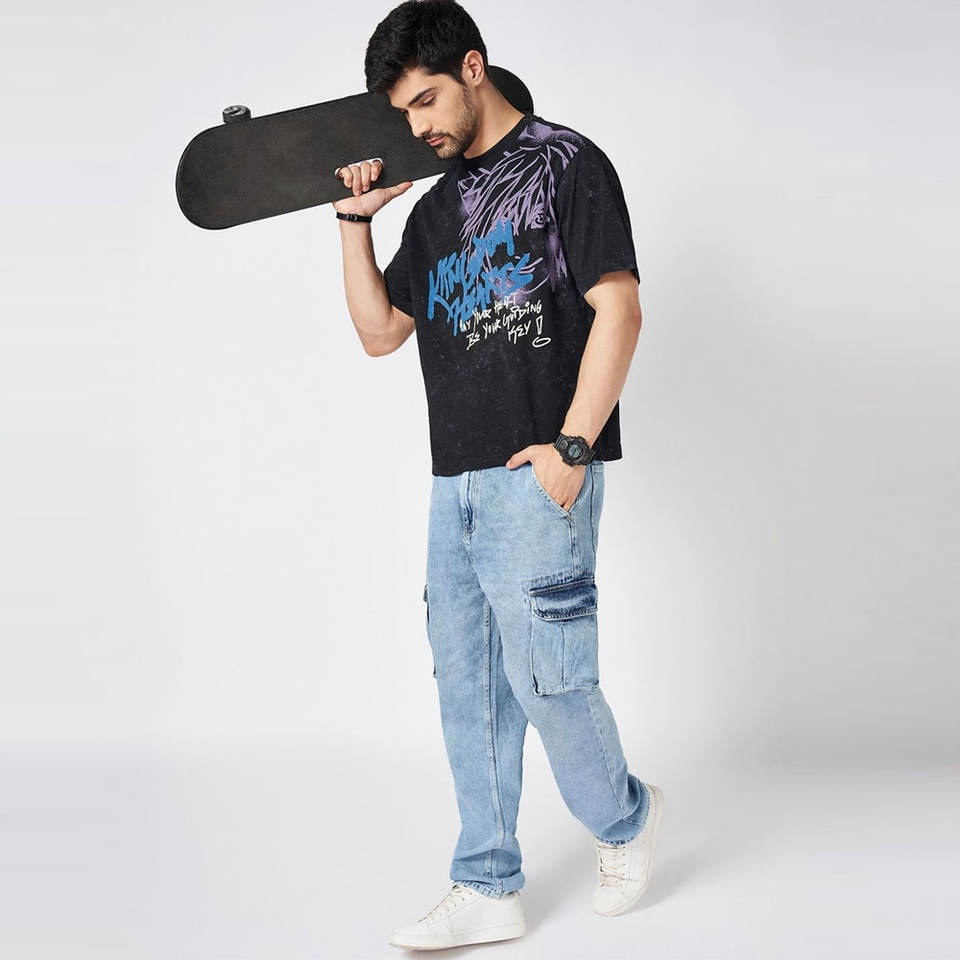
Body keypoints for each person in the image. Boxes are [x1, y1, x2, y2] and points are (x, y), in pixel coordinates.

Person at [334, 0, 664, 949]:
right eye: (402, 113)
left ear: (473, 69)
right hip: (456, 486)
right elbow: (380, 333)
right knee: (469, 690)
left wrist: (573, 449)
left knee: (551, 683)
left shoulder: (567, 163)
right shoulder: (435, 208)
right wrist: (353, 223)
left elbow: (619, 309)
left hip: (540, 474)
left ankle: (627, 819)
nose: (419, 127)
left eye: (428, 100)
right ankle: (487, 880)